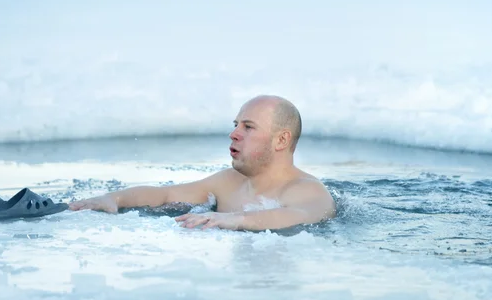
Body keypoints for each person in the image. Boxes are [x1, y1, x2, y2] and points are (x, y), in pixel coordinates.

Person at [69, 95, 337, 231]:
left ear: (281, 140)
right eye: (235, 125)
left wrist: (233, 219)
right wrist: (113, 199)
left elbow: (300, 216)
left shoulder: (306, 190)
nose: (234, 133)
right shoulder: (229, 182)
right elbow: (165, 194)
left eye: (249, 127)